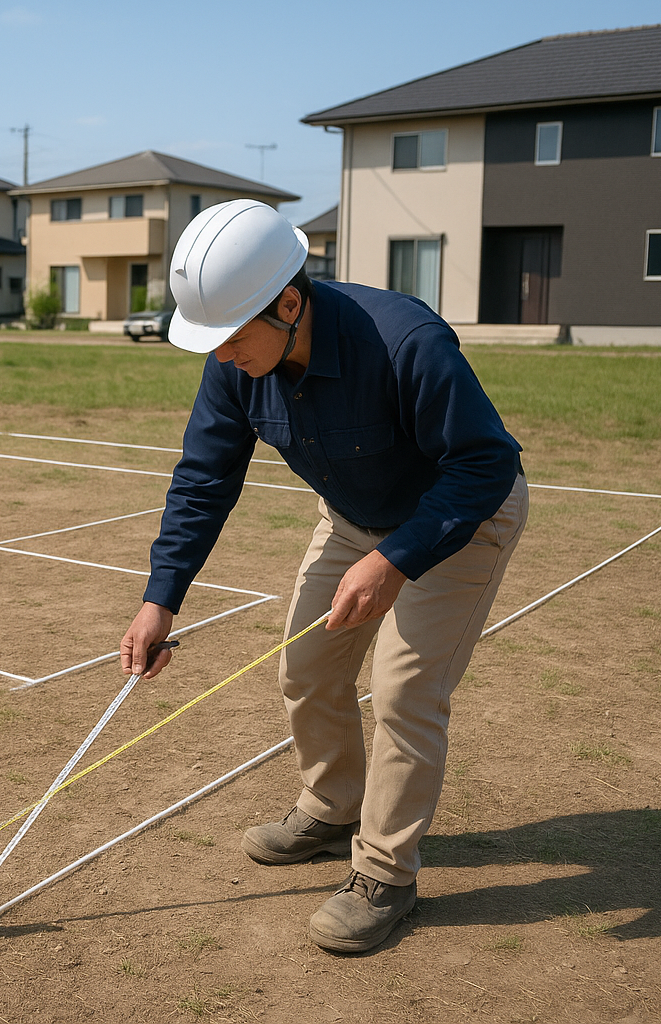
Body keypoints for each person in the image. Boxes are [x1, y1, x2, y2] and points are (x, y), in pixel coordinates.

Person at [119, 200, 527, 953]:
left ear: (289, 302)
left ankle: (385, 875)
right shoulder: (237, 367)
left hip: (458, 520)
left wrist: (396, 559)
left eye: (232, 337)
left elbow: (485, 462)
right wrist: (160, 599)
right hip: (353, 519)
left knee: (406, 691)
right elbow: (204, 478)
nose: (220, 357)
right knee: (307, 668)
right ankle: (334, 806)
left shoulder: (406, 340)